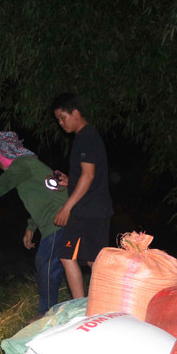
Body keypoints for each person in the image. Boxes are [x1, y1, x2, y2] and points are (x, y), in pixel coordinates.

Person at [0, 131, 68, 315]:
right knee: (53, 263)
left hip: (59, 221)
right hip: (53, 222)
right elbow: (42, 199)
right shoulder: (25, 168)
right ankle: (58, 309)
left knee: (46, 263)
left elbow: (2, 184)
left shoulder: (22, 164)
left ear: (6, 151)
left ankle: (47, 313)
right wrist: (31, 227)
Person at [51, 93, 113, 299]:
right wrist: (70, 181)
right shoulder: (86, 137)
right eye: (58, 119)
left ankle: (88, 305)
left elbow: (88, 175)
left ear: (75, 112)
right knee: (88, 259)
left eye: (62, 117)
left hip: (88, 211)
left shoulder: (86, 137)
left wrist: (66, 207)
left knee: (72, 257)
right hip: (92, 209)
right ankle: (93, 305)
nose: (60, 123)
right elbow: (88, 177)